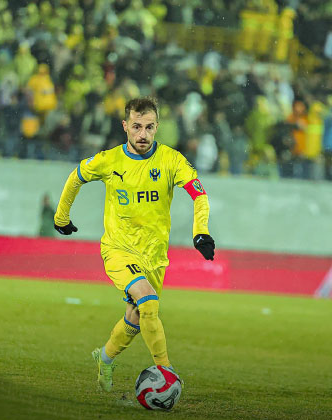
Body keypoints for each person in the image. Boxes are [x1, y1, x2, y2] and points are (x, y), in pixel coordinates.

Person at [53, 97, 215, 392]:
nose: (143, 134)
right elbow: (76, 177)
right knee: (148, 301)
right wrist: (61, 217)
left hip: (154, 255)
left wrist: (200, 232)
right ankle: (166, 373)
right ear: (125, 126)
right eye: (137, 126)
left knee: (137, 316)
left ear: (157, 127)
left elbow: (199, 193)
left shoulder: (171, 160)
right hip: (118, 249)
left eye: (149, 127)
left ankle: (104, 358)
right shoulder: (109, 160)